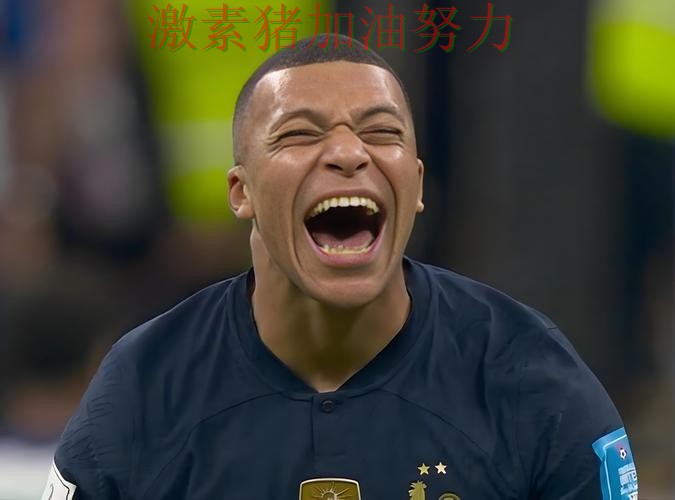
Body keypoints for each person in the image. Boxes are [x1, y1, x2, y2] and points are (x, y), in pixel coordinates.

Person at [41, 34, 638, 500]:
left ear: (417, 184)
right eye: (300, 135)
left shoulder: (528, 378)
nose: (350, 153)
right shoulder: (146, 389)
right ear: (241, 192)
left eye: (381, 132)